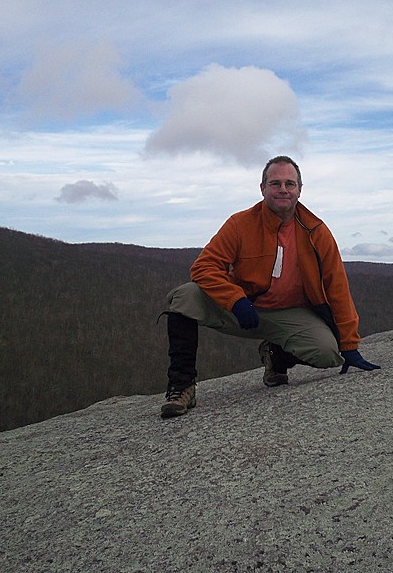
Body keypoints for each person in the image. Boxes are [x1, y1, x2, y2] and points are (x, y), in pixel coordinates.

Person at [161, 155, 379, 418]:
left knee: (329, 354)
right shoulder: (240, 224)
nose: (283, 189)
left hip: (290, 313)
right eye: (275, 183)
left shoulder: (316, 232)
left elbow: (337, 288)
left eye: (290, 183)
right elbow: (203, 267)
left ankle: (276, 355)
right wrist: (236, 300)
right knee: (185, 296)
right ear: (263, 188)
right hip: (241, 308)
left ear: (300, 189)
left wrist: (350, 343)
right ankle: (182, 386)